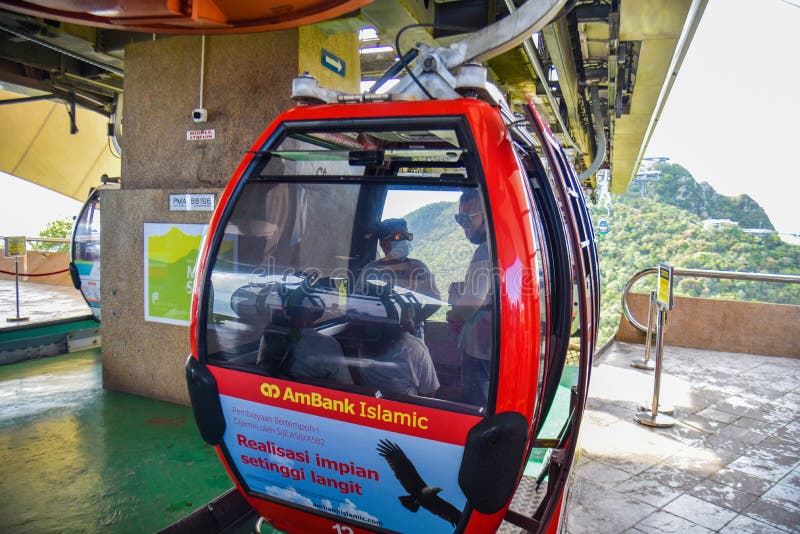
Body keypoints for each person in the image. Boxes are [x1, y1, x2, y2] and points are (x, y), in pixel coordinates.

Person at [356, 218, 441, 339]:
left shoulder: (418, 268)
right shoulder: (370, 271)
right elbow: (356, 303)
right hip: (376, 338)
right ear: (383, 243)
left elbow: (436, 301)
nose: (405, 240)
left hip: (410, 339)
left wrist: (413, 321)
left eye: (407, 236)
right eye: (399, 237)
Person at [446, 189, 493, 407]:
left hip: (480, 350)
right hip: (490, 347)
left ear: (488, 214)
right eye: (459, 218)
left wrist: (452, 314)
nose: (463, 224)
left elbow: (472, 304)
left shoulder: (485, 251)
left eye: (467, 217)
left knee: (475, 404)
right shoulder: (497, 249)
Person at [358, 305, 440, 397]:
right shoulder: (415, 348)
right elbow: (429, 391)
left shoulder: (362, 345)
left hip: (369, 406)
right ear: (398, 322)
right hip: (403, 409)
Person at [277, 291, 354, 385]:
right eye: (311, 310)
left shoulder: (271, 336)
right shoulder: (327, 344)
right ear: (306, 314)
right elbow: (345, 384)